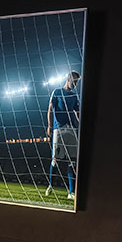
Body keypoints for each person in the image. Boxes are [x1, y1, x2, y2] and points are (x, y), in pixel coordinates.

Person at [45, 71, 81, 200]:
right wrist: (49, 126)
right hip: (58, 128)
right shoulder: (57, 92)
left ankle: (71, 192)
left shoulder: (74, 96)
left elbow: (77, 112)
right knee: (56, 159)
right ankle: (50, 185)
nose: (75, 84)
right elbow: (50, 109)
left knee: (73, 160)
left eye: (77, 82)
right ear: (68, 79)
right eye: (74, 81)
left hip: (71, 128)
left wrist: (79, 125)